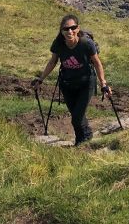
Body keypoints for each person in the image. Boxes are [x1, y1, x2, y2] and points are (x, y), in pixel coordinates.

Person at [32, 14, 111, 145]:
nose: (70, 31)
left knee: (76, 117)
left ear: (78, 28)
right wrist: (41, 79)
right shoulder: (58, 44)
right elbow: (53, 62)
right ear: (61, 31)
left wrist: (103, 83)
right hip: (67, 84)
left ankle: (81, 142)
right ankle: (85, 137)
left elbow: (97, 63)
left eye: (73, 27)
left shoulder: (86, 44)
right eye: (66, 29)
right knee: (76, 114)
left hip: (86, 83)